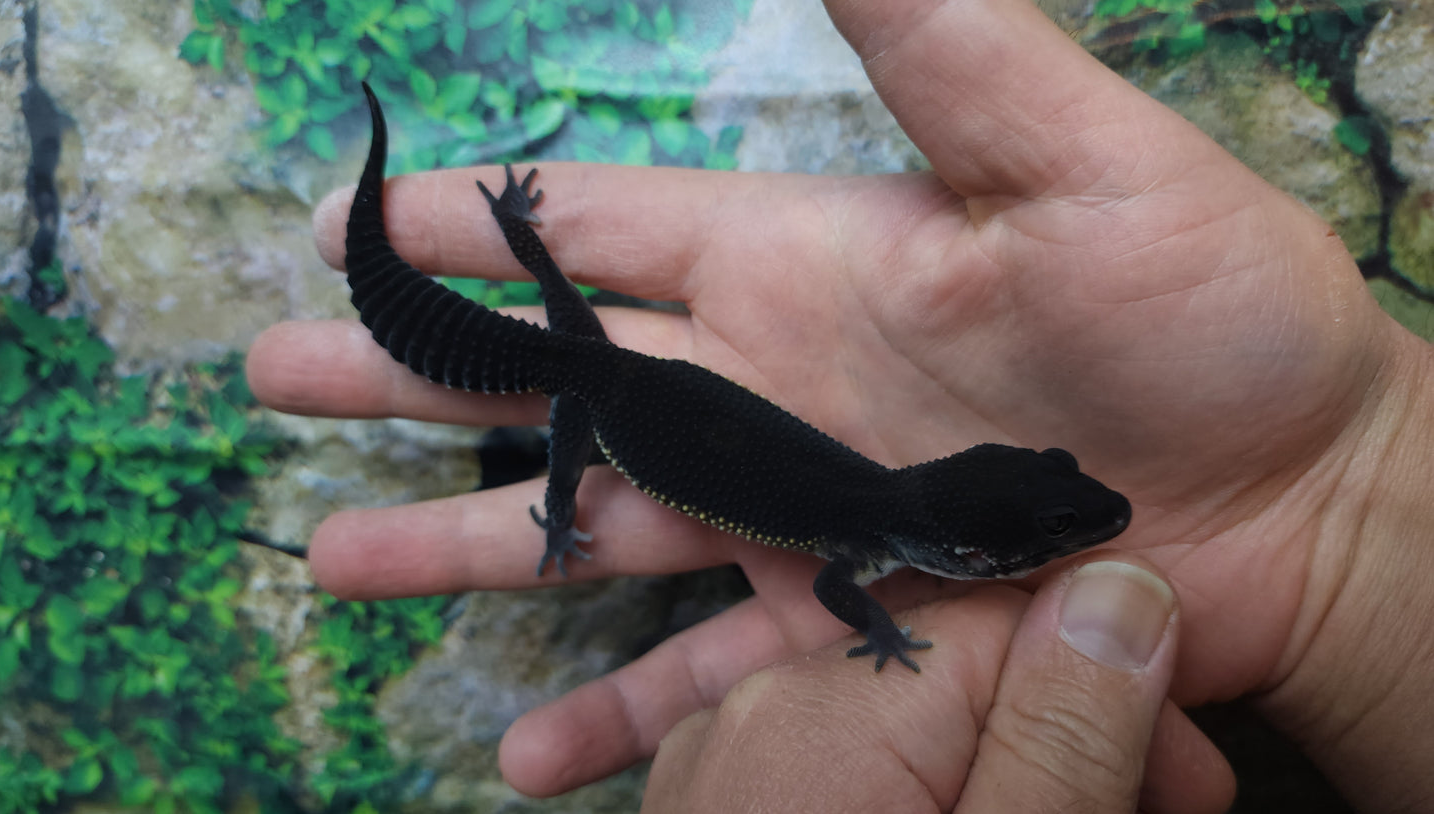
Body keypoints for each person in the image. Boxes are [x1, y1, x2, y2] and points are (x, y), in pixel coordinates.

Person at [246, 0, 1434, 810]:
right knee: (567, 381)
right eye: (1057, 524)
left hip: (609, 377)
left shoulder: (877, 508)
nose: (1080, 524)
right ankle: (534, 438)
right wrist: (865, 626)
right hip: (601, 398)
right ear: (960, 545)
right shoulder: (866, 527)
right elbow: (830, 583)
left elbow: (830, 575)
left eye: (1056, 516)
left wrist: (522, 241)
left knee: (571, 347)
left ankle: (495, 279)